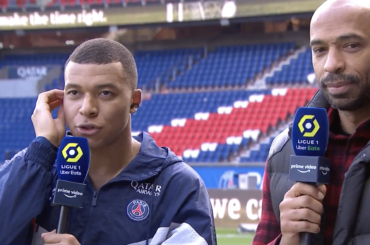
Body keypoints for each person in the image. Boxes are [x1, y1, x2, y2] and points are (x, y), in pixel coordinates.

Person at [0, 38, 217, 245]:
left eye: (105, 93)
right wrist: (44, 146)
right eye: (74, 92)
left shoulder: (178, 186)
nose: (87, 108)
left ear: (134, 101)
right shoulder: (33, 169)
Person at [253, 0, 370, 244]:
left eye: (351, 45)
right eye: (319, 49)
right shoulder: (284, 150)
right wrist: (288, 239)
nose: (331, 64)